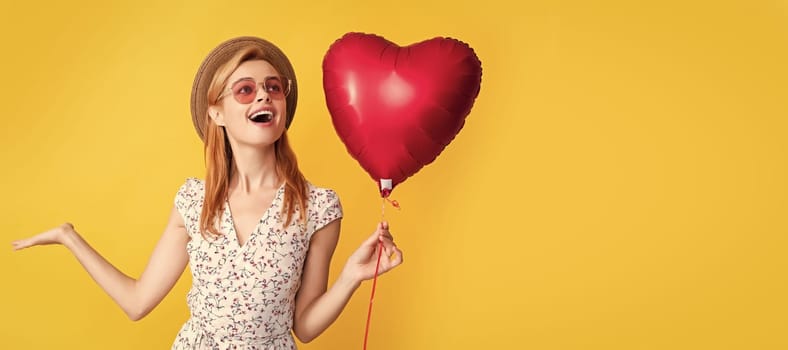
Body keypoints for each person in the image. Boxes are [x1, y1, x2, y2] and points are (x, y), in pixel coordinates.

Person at [11, 36, 404, 349]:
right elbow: (136, 303)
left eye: (273, 88)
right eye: (245, 90)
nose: (265, 96)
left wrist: (352, 276)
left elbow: (304, 327)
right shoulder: (193, 202)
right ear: (216, 113)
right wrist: (69, 237)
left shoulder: (317, 208)